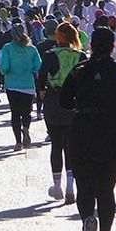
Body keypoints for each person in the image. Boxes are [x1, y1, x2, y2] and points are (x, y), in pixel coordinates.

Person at [61, 27, 116, 231]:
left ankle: (88, 218)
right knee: (106, 188)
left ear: (91, 45)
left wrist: (81, 103)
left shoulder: (79, 71)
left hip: (83, 130)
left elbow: (65, 102)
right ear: (113, 46)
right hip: (114, 131)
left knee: (85, 185)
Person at [37, 23, 86, 202]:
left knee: (56, 144)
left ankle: (57, 186)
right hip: (74, 103)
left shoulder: (50, 55)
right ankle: (70, 185)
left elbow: (41, 78)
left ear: (58, 36)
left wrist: (43, 94)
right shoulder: (80, 56)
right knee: (71, 146)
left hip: (54, 101)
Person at [0, 23, 42, 150]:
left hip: (12, 84)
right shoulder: (32, 49)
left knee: (15, 113)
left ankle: (18, 142)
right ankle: (26, 128)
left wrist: (6, 71)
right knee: (26, 112)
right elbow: (38, 65)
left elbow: (4, 67)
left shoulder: (7, 48)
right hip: (27, 84)